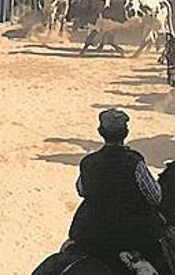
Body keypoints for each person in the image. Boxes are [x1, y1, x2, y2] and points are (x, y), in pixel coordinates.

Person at [67, 109, 167, 274]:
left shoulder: (88, 162)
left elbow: (81, 190)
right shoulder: (134, 161)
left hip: (90, 233)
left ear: (101, 133)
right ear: (125, 133)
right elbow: (155, 197)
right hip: (128, 235)